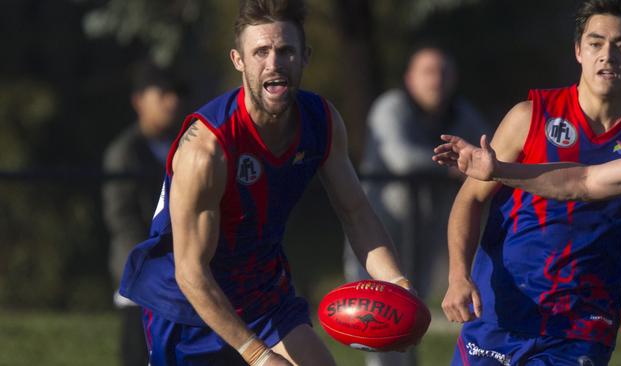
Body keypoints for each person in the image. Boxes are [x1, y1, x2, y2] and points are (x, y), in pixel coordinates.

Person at [118, 1, 414, 365]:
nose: (273, 64)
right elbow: (191, 272)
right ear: (238, 60)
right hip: (187, 305)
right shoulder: (207, 148)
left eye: (285, 51)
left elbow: (356, 213)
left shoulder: (321, 121)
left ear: (305, 56)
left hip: (261, 291)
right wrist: (258, 356)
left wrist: (399, 286)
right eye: (260, 52)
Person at [431, 0, 621, 364]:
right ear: (578, 50)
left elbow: (581, 183)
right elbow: (471, 198)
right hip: (501, 313)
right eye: (596, 43)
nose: (607, 56)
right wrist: (458, 276)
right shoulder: (530, 117)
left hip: (580, 328)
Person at [342, 45, 489, 366]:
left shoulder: (459, 113)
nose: (436, 80)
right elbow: (400, 158)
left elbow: (489, 152)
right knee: (378, 323)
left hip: (424, 231)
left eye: (443, 72)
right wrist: (457, 166)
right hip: (378, 233)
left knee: (410, 321)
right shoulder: (390, 107)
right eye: (428, 72)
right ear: (410, 79)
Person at [102, 61, 180, 366]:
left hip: (183, 277)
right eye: (162, 93)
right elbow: (122, 219)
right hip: (141, 277)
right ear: (139, 101)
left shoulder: (186, 145)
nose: (172, 101)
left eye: (175, 93)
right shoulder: (125, 153)